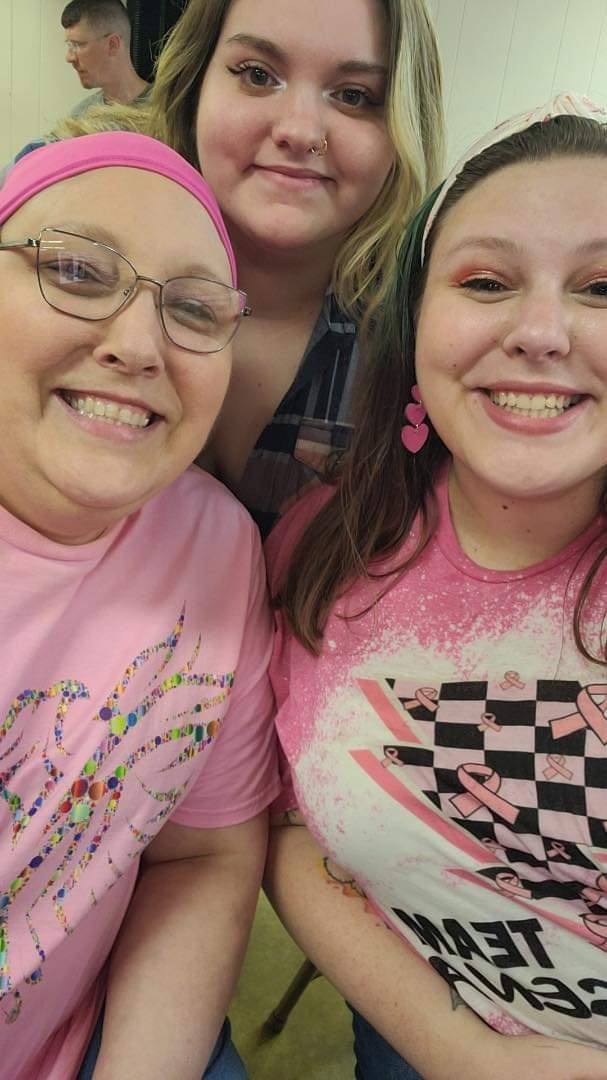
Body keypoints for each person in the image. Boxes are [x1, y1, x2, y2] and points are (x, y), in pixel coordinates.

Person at [264, 92, 607, 1079]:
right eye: (486, 281)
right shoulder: (317, 548)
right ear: (414, 325)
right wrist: (457, 1052)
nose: (541, 332)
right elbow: (286, 828)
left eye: (601, 288)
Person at [0, 131, 279, 1080]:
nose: (135, 344)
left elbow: (200, 856)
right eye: (76, 272)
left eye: (194, 308)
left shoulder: (216, 548)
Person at [50, 0, 445, 537]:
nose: (299, 131)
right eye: (258, 75)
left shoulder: (424, 352)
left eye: (353, 96)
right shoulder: (56, 258)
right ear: (195, 82)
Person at [62, 0, 150, 115]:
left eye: (77, 44)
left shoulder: (166, 111)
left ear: (112, 45)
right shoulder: (81, 118)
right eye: (69, 45)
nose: (69, 57)